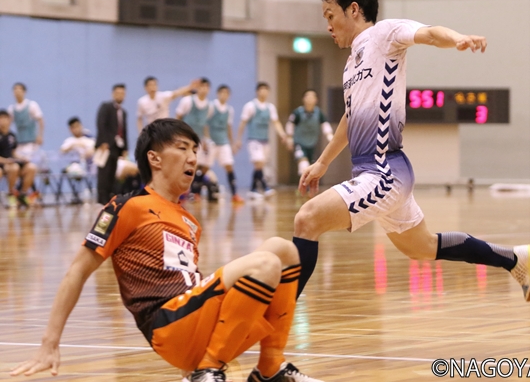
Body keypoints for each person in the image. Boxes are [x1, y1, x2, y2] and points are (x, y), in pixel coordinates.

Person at [9, 118, 321, 382]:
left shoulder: (190, 221)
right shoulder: (128, 206)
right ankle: (206, 372)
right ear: (154, 159)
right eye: (182, 148)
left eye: (195, 150)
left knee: (283, 250)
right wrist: (49, 342)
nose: (193, 158)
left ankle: (269, 368)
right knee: (265, 263)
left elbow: (189, 279)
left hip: (198, 317)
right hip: (166, 323)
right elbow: (77, 271)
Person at [292, 0, 530, 303]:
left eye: (330, 15)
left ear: (353, 9)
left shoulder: (385, 34)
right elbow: (350, 119)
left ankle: (278, 320)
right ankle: (515, 259)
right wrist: (322, 162)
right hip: (372, 172)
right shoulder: (350, 67)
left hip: (384, 172)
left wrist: (457, 38)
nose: (328, 26)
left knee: (307, 220)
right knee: (423, 247)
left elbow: (430, 34)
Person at [235, 82, 287, 200]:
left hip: (265, 141)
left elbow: (276, 122)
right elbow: (243, 123)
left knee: (260, 166)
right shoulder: (250, 106)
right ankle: (264, 187)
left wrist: (282, 134)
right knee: (258, 163)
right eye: (261, 89)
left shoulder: (270, 107)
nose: (264, 92)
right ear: (257, 92)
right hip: (254, 140)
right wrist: (238, 139)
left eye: (266, 90)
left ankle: (253, 189)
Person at [176, 78, 220, 202]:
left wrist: (206, 139)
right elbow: (178, 117)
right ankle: (190, 191)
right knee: (189, 165)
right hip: (186, 138)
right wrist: (178, 136)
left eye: (206, 87)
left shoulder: (210, 106)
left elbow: (205, 124)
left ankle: (195, 191)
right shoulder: (187, 101)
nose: (204, 89)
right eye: (201, 86)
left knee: (204, 165)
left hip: (199, 139)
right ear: (197, 88)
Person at [206, 84, 244, 204]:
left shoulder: (229, 110)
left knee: (229, 166)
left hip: (223, 142)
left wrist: (232, 143)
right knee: (204, 167)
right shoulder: (211, 106)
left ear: (229, 95)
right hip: (211, 141)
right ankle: (194, 193)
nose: (224, 95)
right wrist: (206, 139)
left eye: (226, 93)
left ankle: (234, 194)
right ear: (217, 94)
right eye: (222, 92)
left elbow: (229, 127)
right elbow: (205, 123)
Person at [285, 90, 334, 180]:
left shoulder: (319, 113)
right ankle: (303, 184)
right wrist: (289, 138)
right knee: (303, 164)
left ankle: (307, 183)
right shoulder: (297, 112)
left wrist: (330, 137)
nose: (310, 99)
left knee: (311, 166)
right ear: (303, 99)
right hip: (299, 143)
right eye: (308, 96)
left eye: (312, 97)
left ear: (316, 100)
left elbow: (325, 126)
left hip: (312, 144)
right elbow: (290, 125)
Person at [95, 84, 129, 205]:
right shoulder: (106, 107)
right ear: (113, 94)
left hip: (117, 147)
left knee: (113, 173)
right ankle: (102, 198)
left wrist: (125, 148)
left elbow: (123, 131)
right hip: (106, 146)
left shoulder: (123, 112)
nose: (120, 95)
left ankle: (111, 197)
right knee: (104, 172)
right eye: (118, 93)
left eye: (122, 93)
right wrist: (103, 142)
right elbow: (101, 124)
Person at [0, 109, 38, 208]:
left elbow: (13, 153)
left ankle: (22, 195)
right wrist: (6, 161)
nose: (3, 121)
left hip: (12, 162)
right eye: (1, 118)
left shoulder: (12, 135)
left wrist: (22, 158)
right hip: (3, 164)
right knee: (14, 168)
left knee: (31, 167)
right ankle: (11, 195)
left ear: (9, 120)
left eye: (5, 118)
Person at [7, 82, 45, 162]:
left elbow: (40, 120)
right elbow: (8, 124)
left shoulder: (31, 105)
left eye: (19, 89)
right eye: (15, 90)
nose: (17, 92)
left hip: (31, 141)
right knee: (18, 161)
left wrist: (40, 135)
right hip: (19, 142)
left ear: (24, 92)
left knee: (28, 161)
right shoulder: (11, 109)